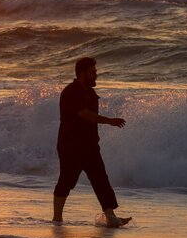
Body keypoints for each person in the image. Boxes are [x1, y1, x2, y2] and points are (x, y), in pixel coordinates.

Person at [53, 57, 132, 227]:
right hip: (71, 146)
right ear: (82, 73)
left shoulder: (90, 92)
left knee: (101, 179)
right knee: (66, 181)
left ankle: (110, 217)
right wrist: (109, 121)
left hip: (89, 146)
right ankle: (57, 218)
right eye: (92, 72)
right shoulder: (71, 92)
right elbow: (84, 114)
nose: (96, 75)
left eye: (95, 72)